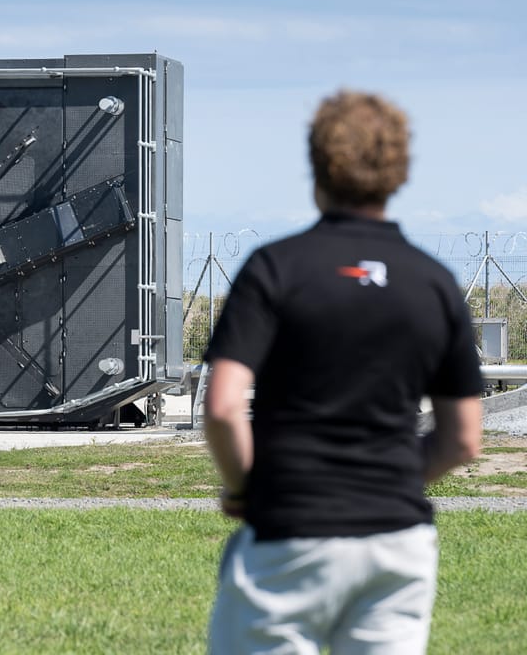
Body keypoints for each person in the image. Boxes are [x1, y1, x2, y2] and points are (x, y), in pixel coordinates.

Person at [203, 90, 484, 653]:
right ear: (400, 170)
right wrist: (389, 481)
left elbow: (224, 406)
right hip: (397, 541)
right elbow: (463, 441)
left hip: (292, 530)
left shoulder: (275, 269)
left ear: (316, 165)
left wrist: (248, 487)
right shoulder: (434, 283)